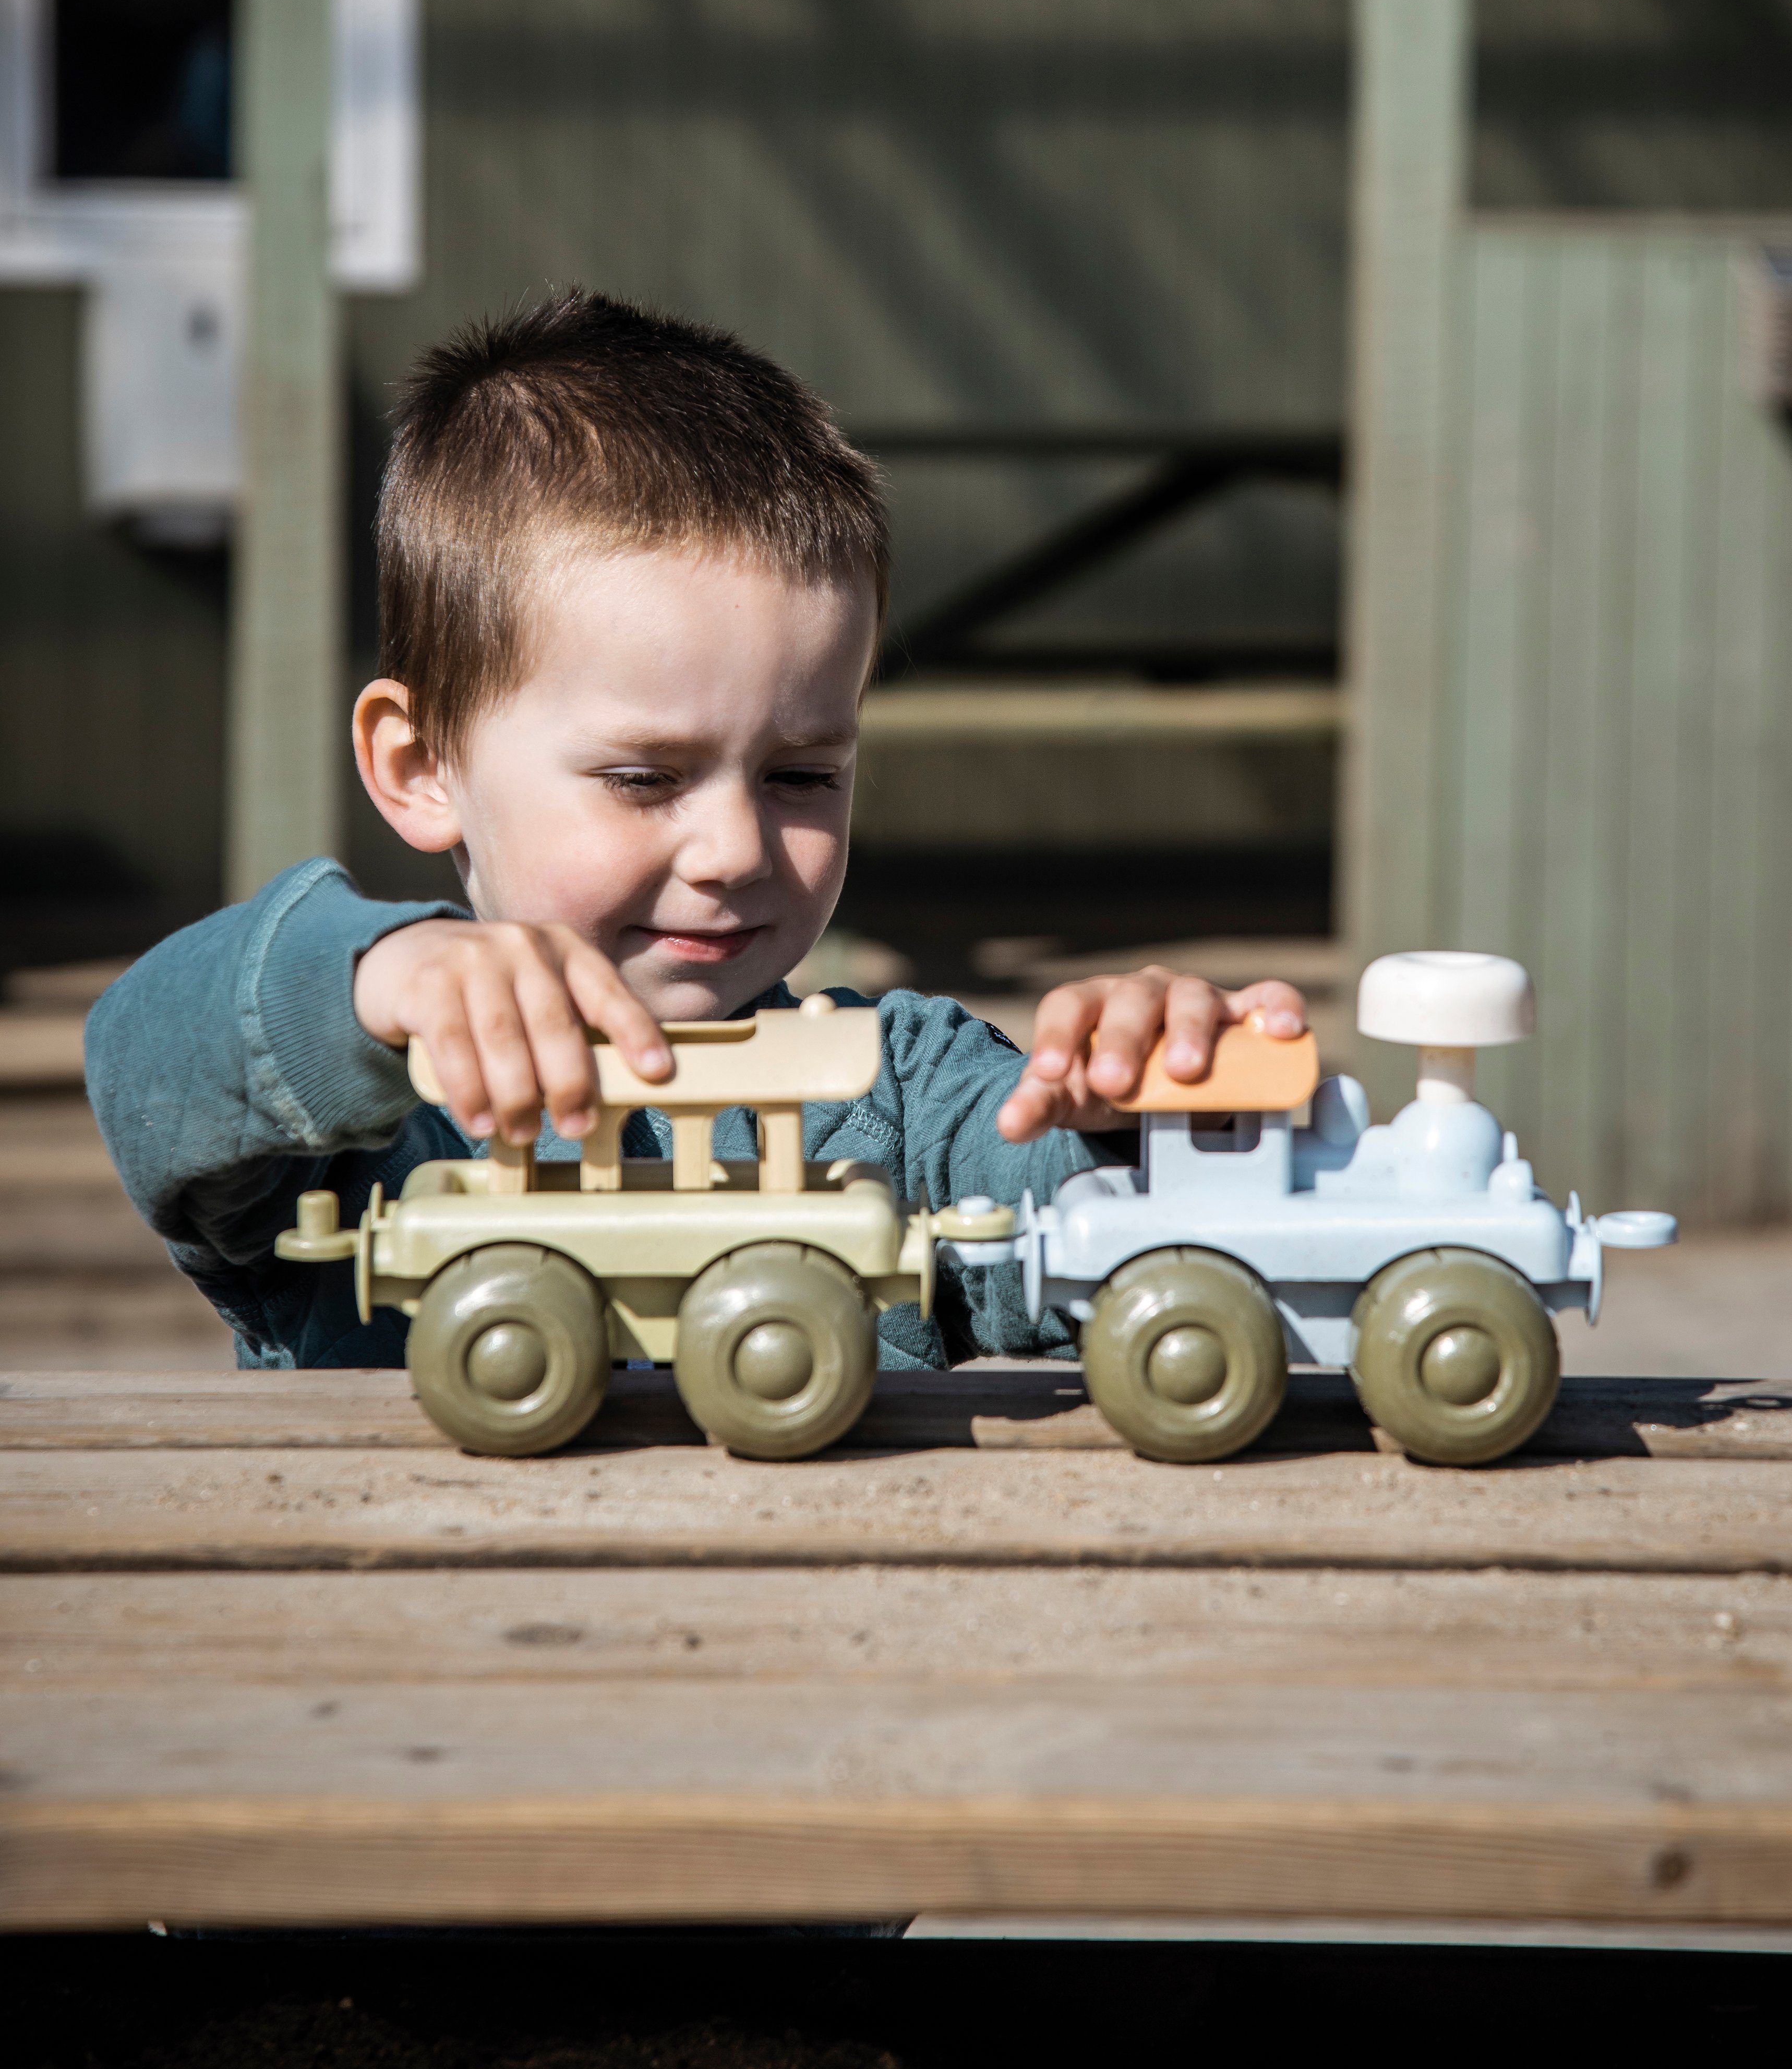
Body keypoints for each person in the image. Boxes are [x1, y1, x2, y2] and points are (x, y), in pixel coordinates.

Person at [87, 292, 1305, 1372]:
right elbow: (151, 1064)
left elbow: (1058, 1227)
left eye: (799, 776)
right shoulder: (382, 1112)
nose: (733, 850)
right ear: (421, 768)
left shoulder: (900, 1086)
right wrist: (375, 976)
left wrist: (1137, 1112)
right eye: (642, 777)